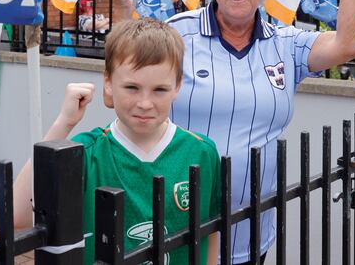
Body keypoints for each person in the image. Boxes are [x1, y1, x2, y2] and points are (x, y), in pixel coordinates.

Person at [164, 0, 355, 264]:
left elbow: (349, 44)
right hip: (178, 234)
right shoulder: (176, 34)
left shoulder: (286, 44)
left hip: (252, 233)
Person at [13, 18, 221, 265]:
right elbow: (19, 215)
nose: (145, 103)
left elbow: (211, 232)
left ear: (177, 87)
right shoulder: (86, 152)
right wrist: (64, 123)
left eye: (159, 90)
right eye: (132, 87)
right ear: (109, 83)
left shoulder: (201, 152)